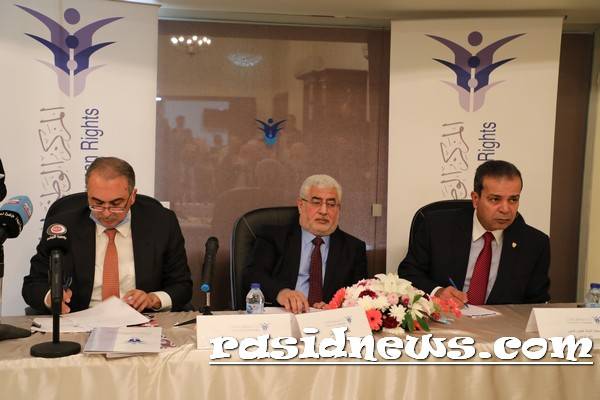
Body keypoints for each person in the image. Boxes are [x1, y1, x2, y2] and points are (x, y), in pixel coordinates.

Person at [22, 157, 193, 313]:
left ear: (132, 196)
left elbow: (182, 286)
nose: (106, 213)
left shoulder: (161, 223)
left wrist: (153, 299)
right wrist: (51, 298)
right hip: (79, 321)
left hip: (140, 320)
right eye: (97, 203)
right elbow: (33, 284)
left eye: (116, 204)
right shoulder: (63, 226)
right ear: (88, 194)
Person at [398, 160, 550, 306]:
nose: (505, 209)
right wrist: (437, 292)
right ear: (476, 199)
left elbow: (537, 302)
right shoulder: (437, 226)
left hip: (504, 322)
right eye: (495, 199)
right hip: (445, 318)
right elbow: (408, 273)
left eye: (513, 200)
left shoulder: (535, 243)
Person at [243, 174, 368, 313]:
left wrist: (336, 306)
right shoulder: (273, 237)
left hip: (328, 320)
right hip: (283, 315)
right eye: (316, 202)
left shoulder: (353, 249)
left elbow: (359, 295)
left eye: (331, 204)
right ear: (301, 205)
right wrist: (281, 293)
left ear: (339, 209)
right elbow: (253, 275)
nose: (324, 211)